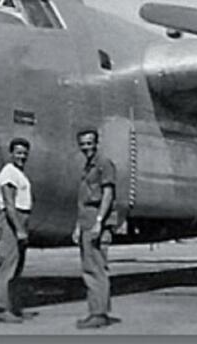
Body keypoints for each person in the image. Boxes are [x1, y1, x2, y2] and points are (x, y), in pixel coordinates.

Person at [72, 128, 120, 328]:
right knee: (89, 268)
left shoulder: (103, 164)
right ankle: (95, 311)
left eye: (89, 143)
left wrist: (99, 221)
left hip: (95, 221)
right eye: (83, 143)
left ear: (96, 143)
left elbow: (108, 194)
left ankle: (99, 314)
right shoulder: (88, 166)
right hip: (86, 221)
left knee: (96, 269)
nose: (86, 147)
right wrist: (78, 226)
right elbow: (83, 199)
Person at [0, 137, 35, 323]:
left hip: (20, 219)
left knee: (17, 267)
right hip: (12, 221)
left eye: (25, 153)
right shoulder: (8, 173)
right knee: (8, 266)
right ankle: (3, 309)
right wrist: (19, 229)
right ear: (11, 153)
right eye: (18, 152)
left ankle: (14, 307)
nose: (22, 156)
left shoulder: (19, 173)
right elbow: (9, 205)